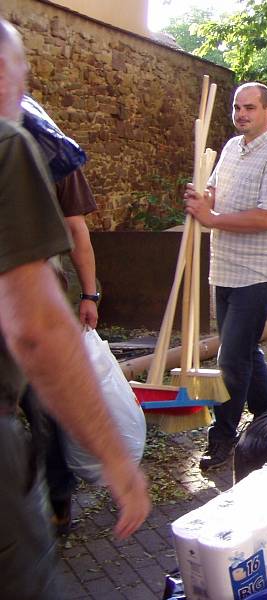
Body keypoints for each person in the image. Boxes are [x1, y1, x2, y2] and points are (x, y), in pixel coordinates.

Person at [1, 18, 150, 598]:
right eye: (23, 75)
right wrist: (116, 460)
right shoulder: (5, 144)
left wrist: (88, 296)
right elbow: (36, 331)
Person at [185, 82, 267, 471]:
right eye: (237, 107)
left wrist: (213, 219)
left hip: (258, 270)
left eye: (250, 107)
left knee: (230, 357)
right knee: (245, 349)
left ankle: (223, 436)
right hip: (225, 265)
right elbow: (215, 191)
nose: (241, 114)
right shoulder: (232, 148)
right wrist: (203, 202)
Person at [19, 96, 101, 535]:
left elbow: (76, 231)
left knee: (42, 401)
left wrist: (90, 293)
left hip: (38, 301)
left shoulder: (53, 149)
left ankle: (58, 497)